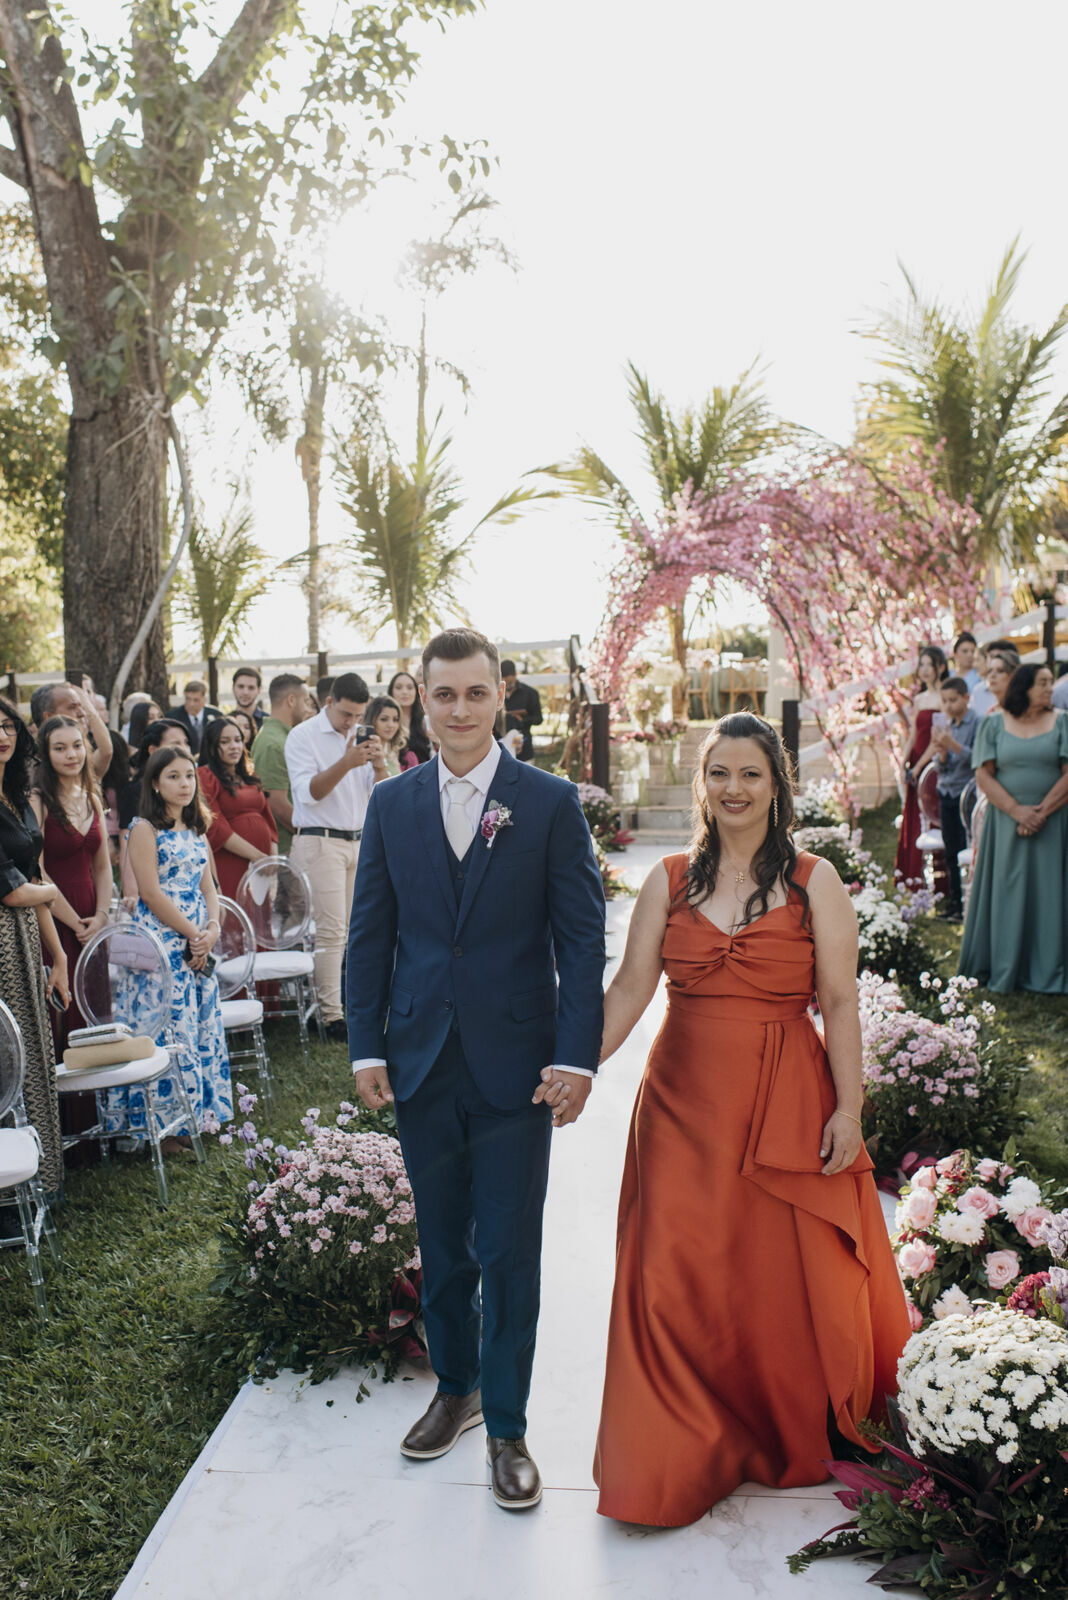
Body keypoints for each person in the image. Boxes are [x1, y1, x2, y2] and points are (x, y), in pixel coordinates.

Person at [592, 712, 910, 1525]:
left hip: (785, 1101)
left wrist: (849, 1109)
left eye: (750, 774)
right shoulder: (668, 879)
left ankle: (771, 1425)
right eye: (720, 773)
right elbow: (629, 989)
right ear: (703, 783)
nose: (733, 789)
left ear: (776, 787)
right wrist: (571, 1064)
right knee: (670, 1273)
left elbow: (839, 1002)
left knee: (770, 1279)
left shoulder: (814, 881)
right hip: (680, 1104)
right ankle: (670, 1454)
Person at [347, 628, 606, 1512]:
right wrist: (368, 1044)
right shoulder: (392, 804)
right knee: (444, 1245)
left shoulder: (549, 802)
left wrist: (575, 1056)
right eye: (443, 694)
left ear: (502, 696)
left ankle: (507, 1426)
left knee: (509, 1249)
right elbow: (370, 935)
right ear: (421, 699)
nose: (459, 710)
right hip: (420, 1060)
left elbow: (581, 938)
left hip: (517, 1066)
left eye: (475, 693)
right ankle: (454, 1389)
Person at [105, 748, 231, 1145]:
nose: (184, 784)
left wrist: (211, 929)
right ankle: (164, 1126)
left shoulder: (196, 827)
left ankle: (199, 1115)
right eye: (173, 777)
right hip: (162, 941)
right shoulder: (143, 828)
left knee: (197, 1024)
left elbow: (208, 886)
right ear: (156, 784)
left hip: (198, 937)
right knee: (169, 1028)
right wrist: (193, 934)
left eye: (189, 776)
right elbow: (151, 893)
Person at [286, 673, 388, 1040]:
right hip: (319, 840)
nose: (351, 722)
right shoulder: (303, 736)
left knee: (355, 929)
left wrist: (379, 764)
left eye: (358, 716)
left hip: (358, 842)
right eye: (346, 714)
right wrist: (346, 762)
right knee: (331, 931)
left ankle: (351, 1005)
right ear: (328, 702)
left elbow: (380, 795)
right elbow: (309, 793)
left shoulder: (360, 736)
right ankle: (330, 1017)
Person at [959, 664, 1068, 993]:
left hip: (1053, 821)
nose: (1050, 688)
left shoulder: (1062, 721)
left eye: (1050, 682)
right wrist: (1017, 811)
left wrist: (1040, 813)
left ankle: (1049, 967)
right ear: (1024, 687)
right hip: (1005, 823)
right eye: (1042, 683)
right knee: (1007, 891)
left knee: (1050, 894)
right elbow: (983, 774)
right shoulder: (994, 723)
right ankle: (1005, 965)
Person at [0, 697, 67, 1200]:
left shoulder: (16, 798)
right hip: (2, 943)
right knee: (6, 1060)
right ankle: (8, 1194)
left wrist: (58, 957)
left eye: (7, 726)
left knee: (33, 1052)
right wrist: (47, 891)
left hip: (25, 942)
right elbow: (15, 891)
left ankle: (41, 1181)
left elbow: (35, 880)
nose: (1, 736)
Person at [31, 717, 113, 1049]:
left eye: (77, 746)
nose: (71, 755)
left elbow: (103, 866)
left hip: (93, 916)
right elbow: (36, 871)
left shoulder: (92, 797)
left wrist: (102, 916)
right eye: (60, 748)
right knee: (60, 1010)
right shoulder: (37, 801)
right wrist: (75, 923)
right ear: (46, 754)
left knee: (93, 1004)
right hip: (53, 916)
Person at [198, 718, 277, 901]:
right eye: (225, 742)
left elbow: (267, 817)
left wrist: (271, 856)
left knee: (258, 914)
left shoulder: (251, 775)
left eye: (238, 740)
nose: (234, 746)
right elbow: (215, 825)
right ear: (212, 747)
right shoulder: (205, 775)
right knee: (234, 911)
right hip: (230, 858)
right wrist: (256, 855)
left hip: (261, 865)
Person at [893, 644, 948, 889]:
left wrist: (919, 767)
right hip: (915, 760)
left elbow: (939, 739)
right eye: (922, 665)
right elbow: (914, 733)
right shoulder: (919, 698)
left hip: (932, 763)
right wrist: (904, 761)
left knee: (930, 813)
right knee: (913, 813)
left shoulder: (944, 697)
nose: (925, 670)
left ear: (940, 668)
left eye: (930, 665)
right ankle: (911, 875)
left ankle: (938, 879)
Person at [930, 678, 978, 922]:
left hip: (965, 795)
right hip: (946, 792)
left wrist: (953, 745)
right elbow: (941, 767)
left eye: (953, 700)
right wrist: (942, 752)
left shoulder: (977, 722)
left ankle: (968, 904)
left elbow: (977, 758)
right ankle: (955, 902)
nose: (948, 705)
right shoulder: (947, 724)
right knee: (950, 850)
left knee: (965, 849)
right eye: (945, 701)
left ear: (966, 698)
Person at [250, 673, 315, 856]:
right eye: (305, 701)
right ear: (291, 700)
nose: (308, 709)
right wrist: (310, 834)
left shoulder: (286, 737)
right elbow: (276, 802)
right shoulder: (273, 742)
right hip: (286, 846)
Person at [30, 681, 113, 783]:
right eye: (72, 707)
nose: (82, 713)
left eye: (77, 746)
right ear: (49, 716)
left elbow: (106, 751)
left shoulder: (82, 764)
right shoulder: (28, 770)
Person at [119, 718, 191, 829]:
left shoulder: (190, 786)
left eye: (186, 743)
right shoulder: (136, 791)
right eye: (176, 744)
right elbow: (126, 835)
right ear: (153, 750)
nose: (185, 749)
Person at [501, 659, 543, 763]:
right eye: (504, 682)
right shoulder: (495, 694)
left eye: (510, 682)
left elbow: (538, 719)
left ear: (516, 675)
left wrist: (522, 720)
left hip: (524, 744)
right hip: (500, 745)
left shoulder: (530, 693)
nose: (507, 685)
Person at [169, 680, 224, 757]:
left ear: (204, 699)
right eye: (188, 699)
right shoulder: (173, 717)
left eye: (196, 700)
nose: (191, 704)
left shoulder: (216, 715)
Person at [388, 670, 433, 763]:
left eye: (409, 687)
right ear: (391, 691)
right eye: (398, 687)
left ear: (417, 691)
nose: (404, 692)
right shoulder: (385, 722)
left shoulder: (426, 722)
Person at [365, 694, 415, 775]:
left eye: (395, 720)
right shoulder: (365, 754)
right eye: (384, 719)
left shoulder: (395, 753)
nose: (391, 725)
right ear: (372, 720)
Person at [970, 647, 1019, 719]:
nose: (992, 675)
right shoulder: (991, 712)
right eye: (990, 671)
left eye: (1000, 671)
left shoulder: (1024, 710)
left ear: (1013, 675)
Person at [230, 666, 265, 732]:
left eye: (251, 688)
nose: (245, 692)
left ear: (259, 690)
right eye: (241, 687)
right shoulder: (225, 722)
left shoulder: (268, 723)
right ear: (233, 688)